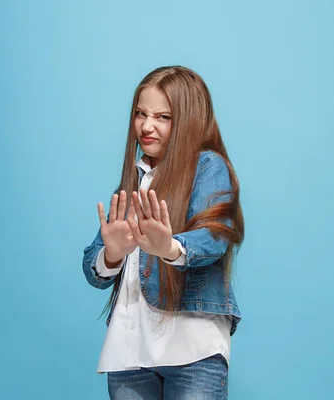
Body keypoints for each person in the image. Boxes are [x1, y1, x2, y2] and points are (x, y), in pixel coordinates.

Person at [82, 65, 245, 399]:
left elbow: (214, 236)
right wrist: (111, 254)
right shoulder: (133, 180)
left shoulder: (208, 166)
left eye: (163, 117)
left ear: (189, 120)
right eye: (141, 114)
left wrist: (168, 246)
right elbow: (94, 272)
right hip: (129, 350)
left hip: (192, 348)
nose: (146, 125)